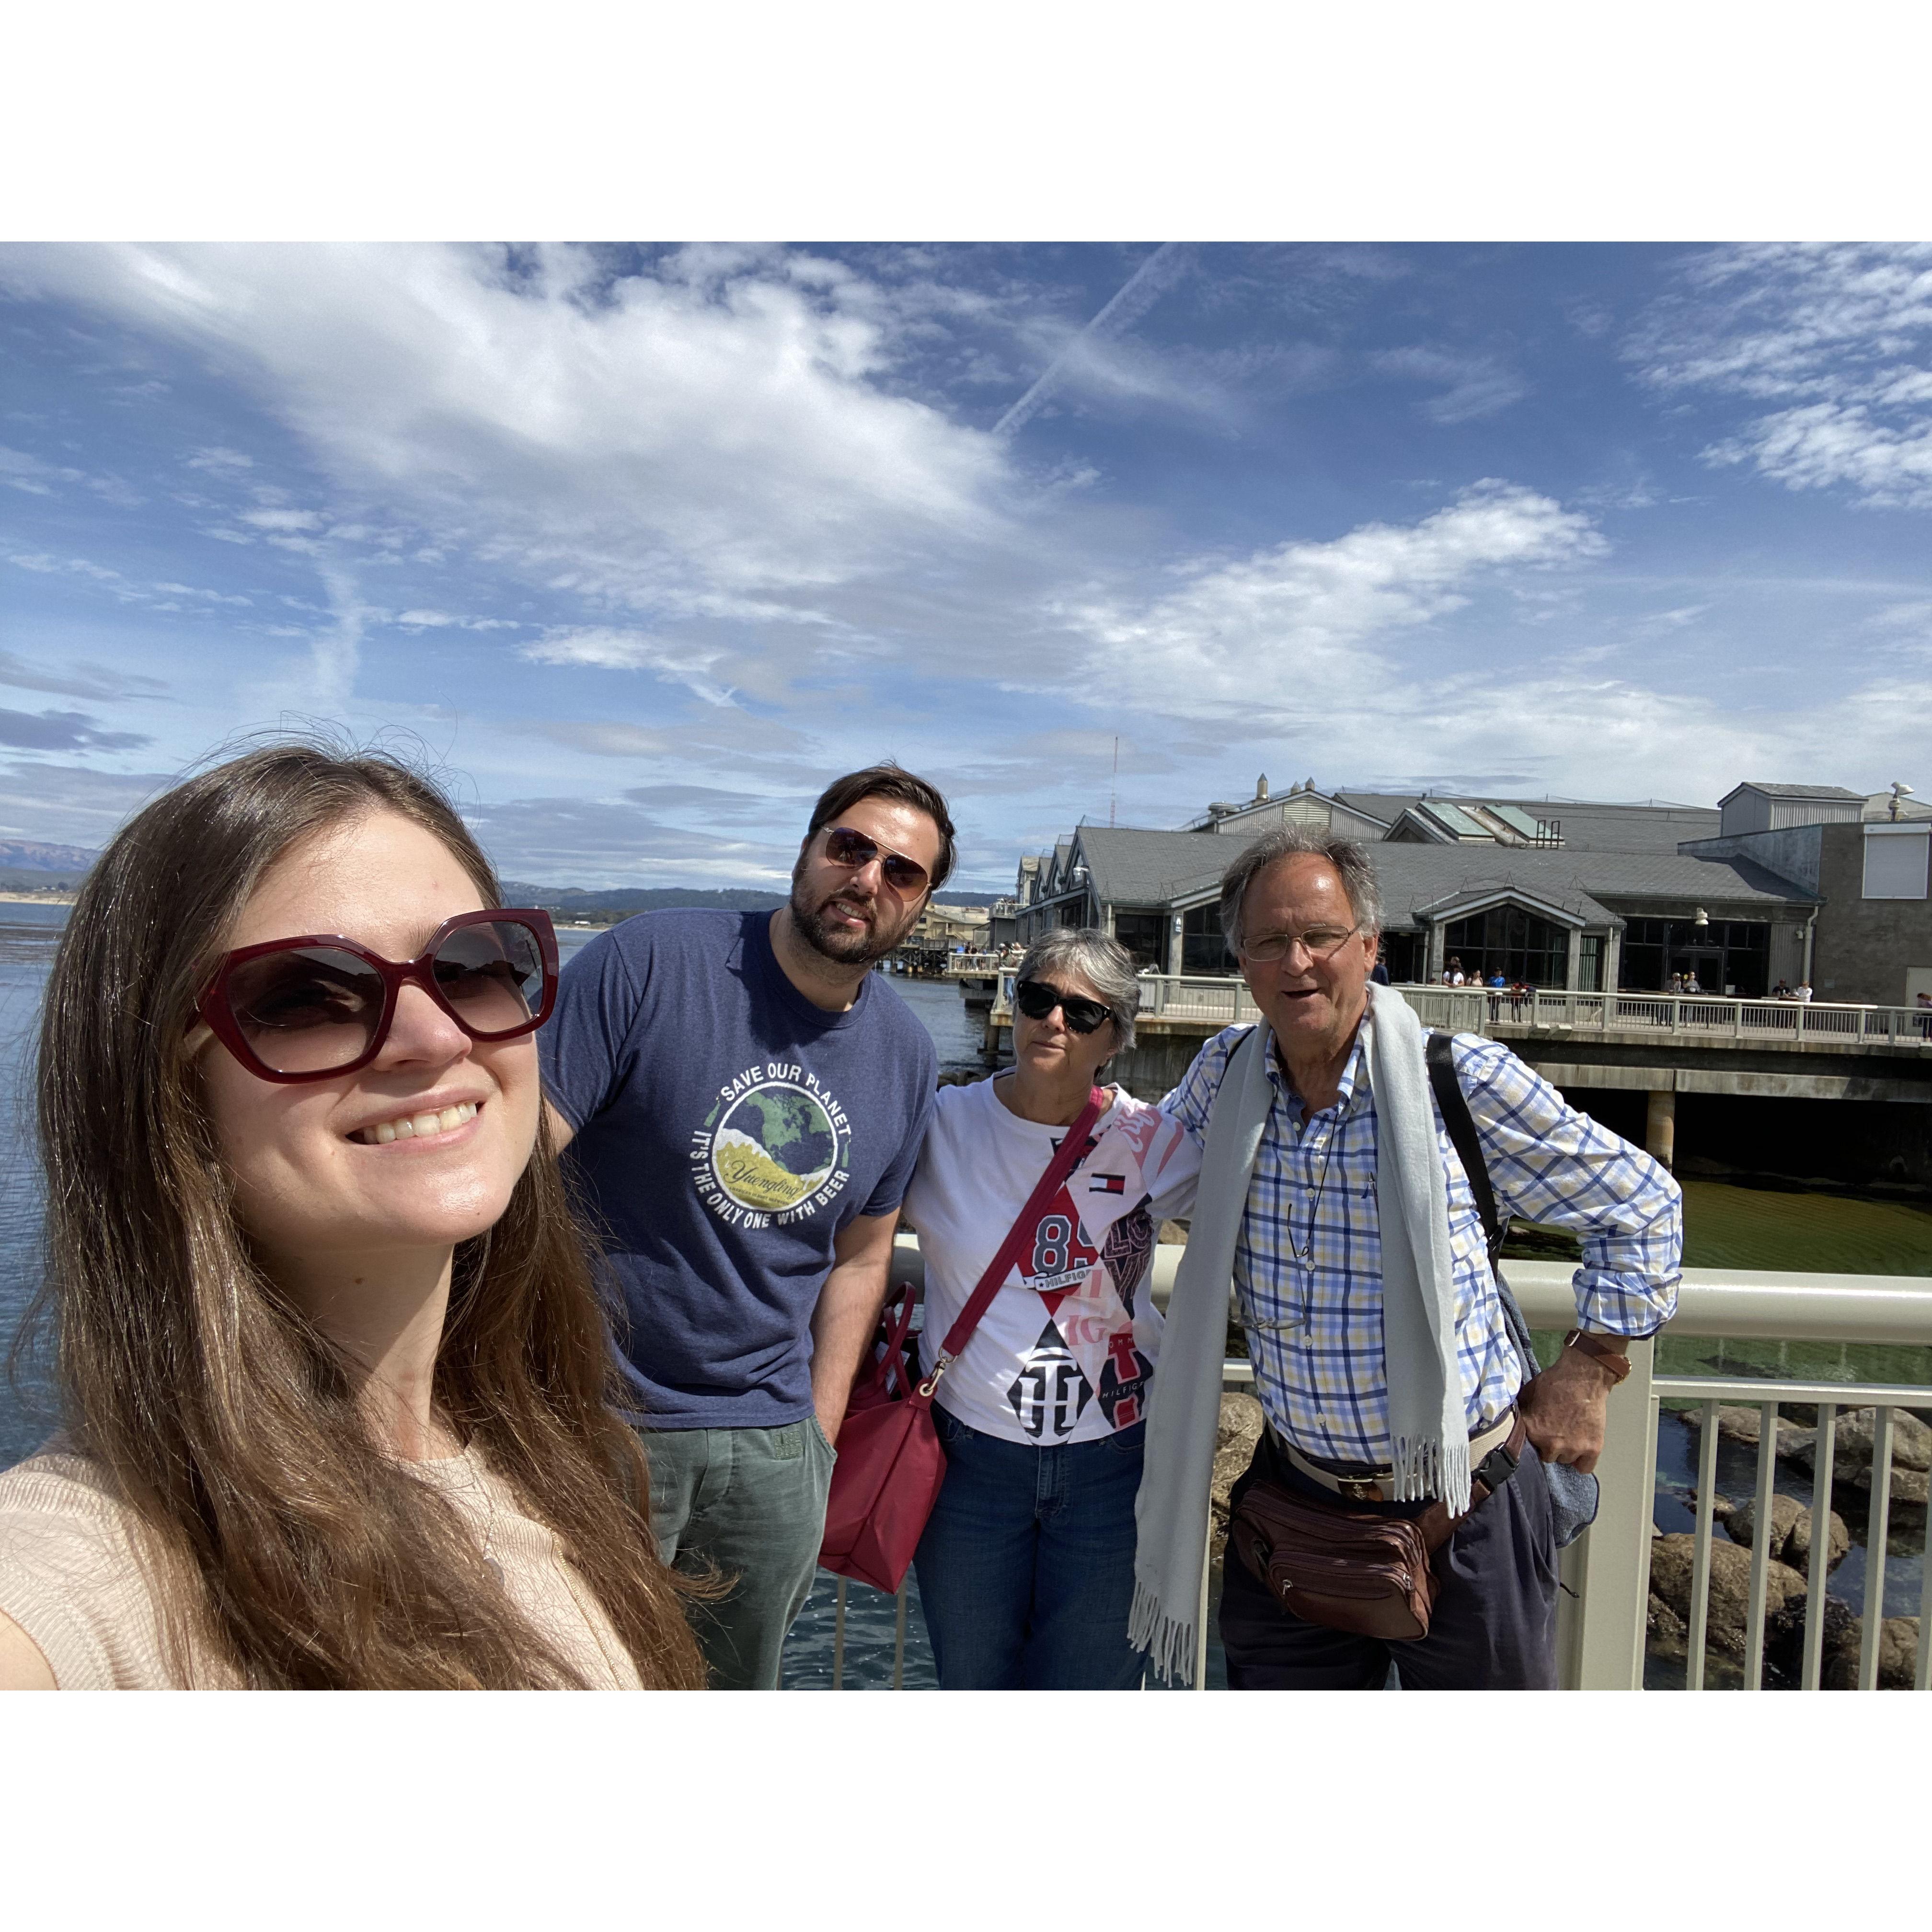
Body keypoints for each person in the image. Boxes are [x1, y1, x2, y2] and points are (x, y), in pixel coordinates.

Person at [0, 744, 706, 1690]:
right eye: (306, 997)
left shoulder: (545, 1457)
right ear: (160, 1085)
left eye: (473, 967)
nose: (438, 1035)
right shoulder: (86, 1577)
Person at [1133, 825, 1681, 1690]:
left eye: (1321, 936)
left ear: (1369, 946)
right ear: (1242, 962)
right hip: (1296, 1505)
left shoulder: (1459, 1080)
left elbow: (1642, 1201)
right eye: (1269, 942)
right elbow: (1125, 1175)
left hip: (1465, 1508)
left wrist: (1591, 1368)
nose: (1297, 963)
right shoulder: (1222, 1077)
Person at [540, 764, 948, 1688]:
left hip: (772, 1447)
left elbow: (863, 1255)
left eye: (902, 871)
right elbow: (514, 1168)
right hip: (593, 1421)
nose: (868, 879)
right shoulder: (651, 962)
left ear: (921, 905)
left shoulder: (906, 1053)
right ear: (807, 849)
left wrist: (819, 1437)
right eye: (851, 847)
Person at [900, 931, 1198, 1689]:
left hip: (1114, 1464)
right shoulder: (941, 1124)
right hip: (969, 1461)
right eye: (1038, 998)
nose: (1054, 1020)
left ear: (1117, 1038)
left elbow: (1263, 1213)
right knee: (973, 1684)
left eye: (1083, 1011)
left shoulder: (1153, 1141)